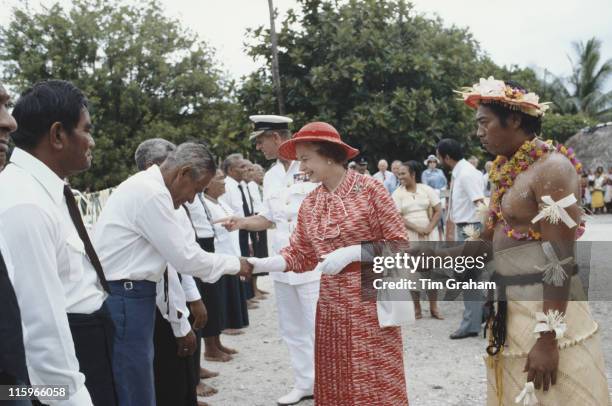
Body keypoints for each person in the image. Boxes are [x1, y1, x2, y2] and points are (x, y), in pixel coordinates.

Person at [456, 76, 609, 405]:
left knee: (551, 395)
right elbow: (490, 233)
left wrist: (549, 337)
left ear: (513, 118)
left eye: (484, 123)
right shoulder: (504, 169)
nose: (478, 132)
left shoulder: (551, 170)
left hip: (545, 310)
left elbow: (560, 259)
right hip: (510, 305)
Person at [244, 121, 410, 405]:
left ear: (331, 155)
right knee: (337, 377)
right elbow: (300, 254)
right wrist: (256, 265)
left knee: (372, 376)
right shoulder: (311, 202)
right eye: (299, 161)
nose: (302, 168)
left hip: (371, 302)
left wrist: (355, 253)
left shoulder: (370, 190)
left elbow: (400, 244)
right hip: (332, 305)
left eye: (306, 159)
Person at [92, 141, 252, 406]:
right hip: (125, 297)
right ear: (183, 173)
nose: (191, 199)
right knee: (133, 381)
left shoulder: (149, 187)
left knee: (138, 377)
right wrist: (239, 264)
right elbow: (186, 258)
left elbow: (168, 263)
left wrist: (177, 319)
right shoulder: (151, 193)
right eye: (196, 190)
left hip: (133, 294)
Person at [0, 80, 116, 405]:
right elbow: (40, 325)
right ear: (58, 135)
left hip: (88, 340)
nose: (92, 141)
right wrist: (71, 397)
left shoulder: (47, 190)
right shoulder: (26, 202)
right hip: (69, 355)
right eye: (86, 130)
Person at [221, 115, 320, 405]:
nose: (259, 147)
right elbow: (267, 217)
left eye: (261, 140)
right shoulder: (273, 175)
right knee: (292, 329)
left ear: (276, 138)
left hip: (313, 263)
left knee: (319, 327)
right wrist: (239, 222)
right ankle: (305, 383)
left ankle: (330, 385)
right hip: (282, 261)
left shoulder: (311, 166)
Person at [132, 138, 209, 406]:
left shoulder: (163, 197)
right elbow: (172, 266)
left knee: (178, 372)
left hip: (168, 298)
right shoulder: (152, 198)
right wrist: (179, 320)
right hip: (156, 301)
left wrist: (190, 299)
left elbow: (181, 259)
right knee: (166, 375)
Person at [437, 138, 486, 339]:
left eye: (439, 155)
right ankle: (479, 314)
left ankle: (471, 324)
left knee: (469, 278)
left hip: (470, 228)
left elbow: (480, 204)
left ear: (446, 157)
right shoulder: (462, 172)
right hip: (466, 227)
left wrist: (474, 238)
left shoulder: (465, 174)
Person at [392, 160, 443, 320]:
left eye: (403, 173)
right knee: (413, 272)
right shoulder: (397, 193)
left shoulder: (426, 189)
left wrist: (429, 227)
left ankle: (434, 307)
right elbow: (397, 216)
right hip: (410, 235)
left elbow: (438, 210)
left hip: (429, 235)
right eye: (399, 174)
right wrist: (418, 228)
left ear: (413, 174)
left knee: (431, 271)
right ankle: (416, 308)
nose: (400, 176)